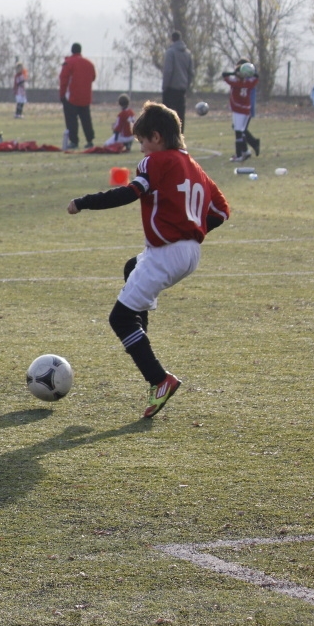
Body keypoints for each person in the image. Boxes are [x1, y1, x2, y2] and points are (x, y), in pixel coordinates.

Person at [67, 102, 229, 418]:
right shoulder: (196, 168)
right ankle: (141, 344)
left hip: (168, 252)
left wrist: (83, 203)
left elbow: (130, 193)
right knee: (132, 267)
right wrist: (192, 230)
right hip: (189, 252)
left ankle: (159, 379)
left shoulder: (155, 161)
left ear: (156, 137)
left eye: (142, 141)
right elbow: (221, 212)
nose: (141, 148)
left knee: (120, 319)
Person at [58, 43, 96, 149]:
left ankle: (74, 141)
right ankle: (90, 140)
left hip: (72, 97)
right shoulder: (89, 64)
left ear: (72, 51)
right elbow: (93, 77)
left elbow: (63, 80)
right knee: (86, 119)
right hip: (86, 96)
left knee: (71, 120)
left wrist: (62, 95)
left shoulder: (68, 63)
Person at [222, 60, 260, 162]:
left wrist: (235, 73)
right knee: (242, 131)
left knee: (238, 132)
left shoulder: (236, 82)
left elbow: (224, 75)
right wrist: (251, 72)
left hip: (238, 110)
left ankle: (239, 155)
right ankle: (245, 152)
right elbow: (257, 77)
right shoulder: (249, 83)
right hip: (246, 109)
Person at [161, 30, 194, 129]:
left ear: (172, 39)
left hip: (171, 88)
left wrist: (164, 86)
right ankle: (180, 135)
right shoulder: (188, 53)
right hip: (182, 89)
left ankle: (168, 135)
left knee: (167, 116)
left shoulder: (170, 52)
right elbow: (191, 72)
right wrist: (186, 85)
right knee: (180, 117)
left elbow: (168, 71)